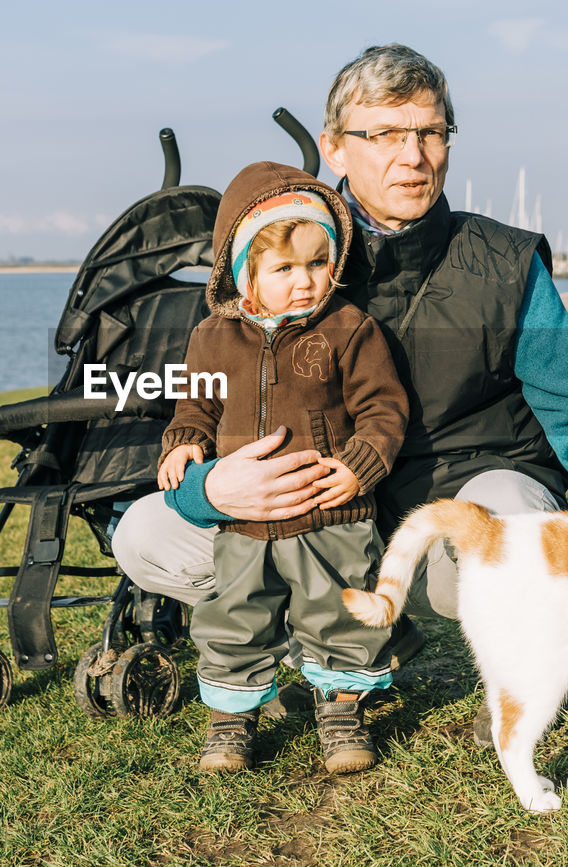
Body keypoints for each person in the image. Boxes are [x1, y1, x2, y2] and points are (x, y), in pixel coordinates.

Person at [112, 42, 568, 749]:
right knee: (146, 533)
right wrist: (212, 489)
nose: (414, 156)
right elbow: (202, 407)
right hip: (321, 518)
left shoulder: (505, 264)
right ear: (335, 148)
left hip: (459, 499)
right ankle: (325, 652)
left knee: (514, 527)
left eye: (431, 132)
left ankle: (531, 655)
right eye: (387, 135)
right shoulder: (278, 258)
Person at [157, 161, 408, 774]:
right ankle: (230, 721)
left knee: (337, 613)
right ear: (245, 273)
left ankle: (342, 708)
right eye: (285, 269)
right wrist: (184, 439)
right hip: (245, 522)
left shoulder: (349, 329)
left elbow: (383, 409)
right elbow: (196, 401)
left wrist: (361, 464)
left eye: (319, 264)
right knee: (234, 616)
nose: (306, 282)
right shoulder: (213, 338)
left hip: (331, 511)